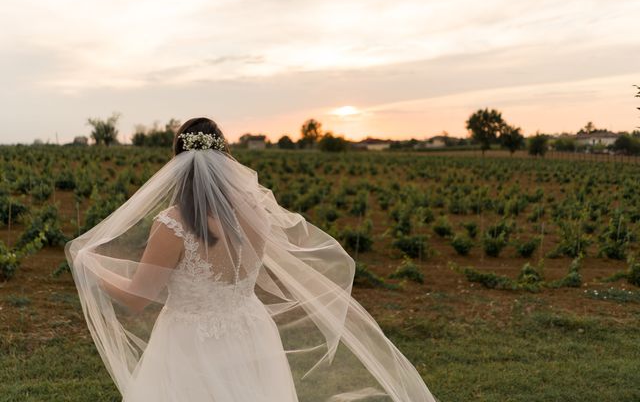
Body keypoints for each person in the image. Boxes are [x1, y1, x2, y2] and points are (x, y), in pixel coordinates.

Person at [65, 117, 439, 402]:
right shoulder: (256, 215)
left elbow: (136, 298)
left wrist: (89, 266)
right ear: (225, 158)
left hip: (191, 342)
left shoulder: (174, 224)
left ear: (177, 164)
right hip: (250, 328)